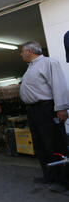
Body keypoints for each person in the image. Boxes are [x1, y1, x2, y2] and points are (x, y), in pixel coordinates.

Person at [19, 41, 69, 193]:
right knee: (41, 145)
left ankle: (64, 182)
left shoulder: (49, 62)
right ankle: (49, 176)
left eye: (22, 51)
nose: (21, 54)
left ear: (30, 51)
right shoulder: (31, 67)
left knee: (55, 145)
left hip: (46, 109)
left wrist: (61, 108)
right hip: (34, 112)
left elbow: (59, 85)